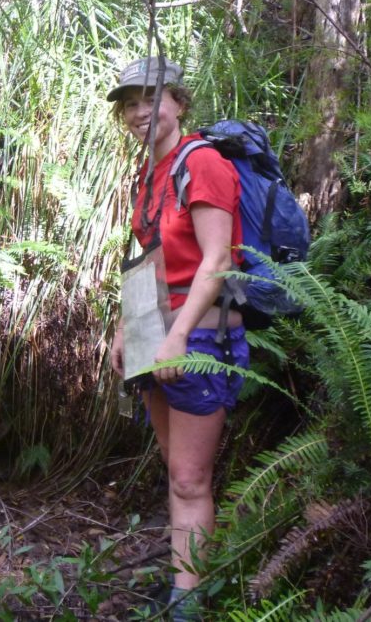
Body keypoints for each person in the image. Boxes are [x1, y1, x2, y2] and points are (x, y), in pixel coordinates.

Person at [107, 57, 251, 620]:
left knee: (191, 480)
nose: (140, 112)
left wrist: (178, 338)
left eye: (151, 98)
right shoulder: (151, 172)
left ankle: (191, 604)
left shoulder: (204, 164)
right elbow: (150, 260)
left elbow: (216, 259)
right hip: (155, 331)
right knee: (177, 475)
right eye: (129, 104)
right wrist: (127, 329)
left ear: (179, 102)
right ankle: (181, 587)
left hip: (197, 340)